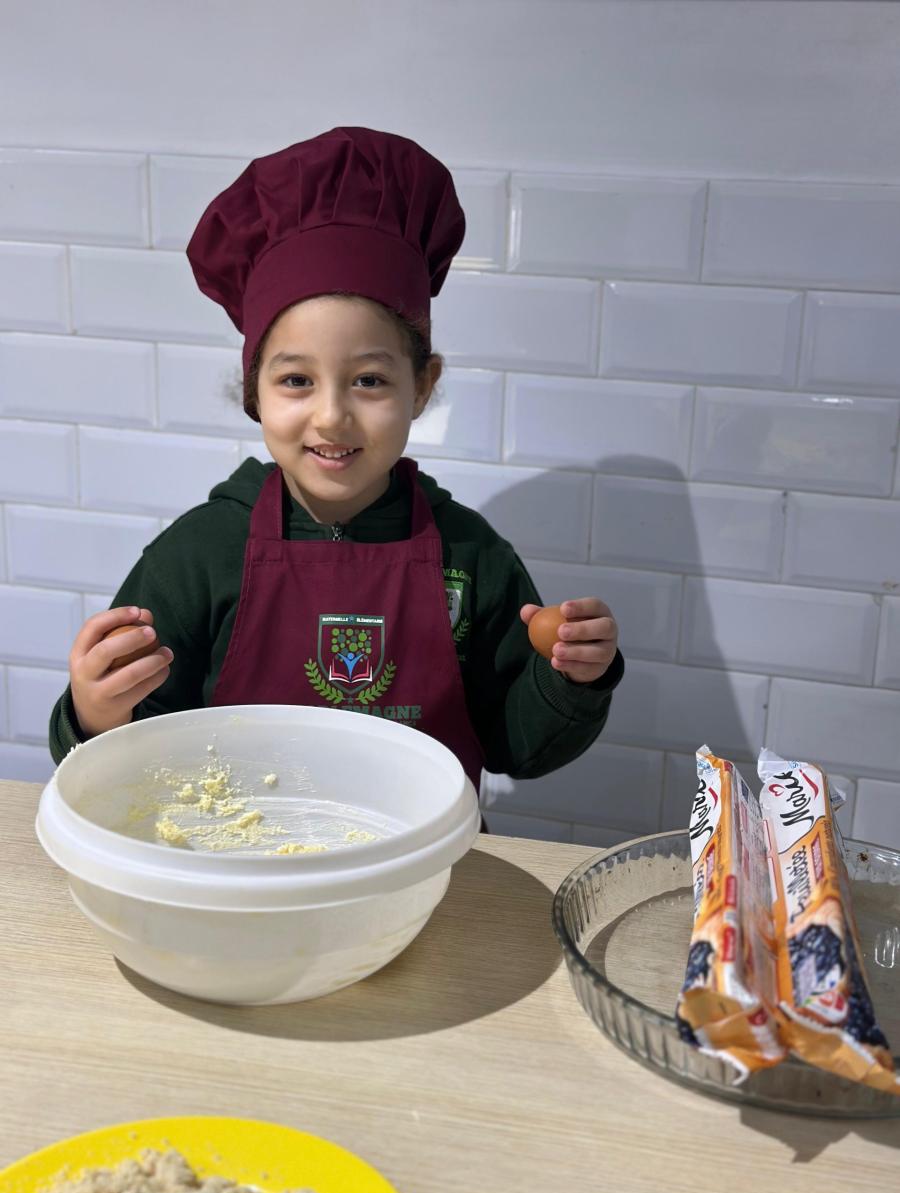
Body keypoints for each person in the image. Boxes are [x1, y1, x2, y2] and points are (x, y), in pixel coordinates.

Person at [49, 127, 624, 804]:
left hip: (424, 858)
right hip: (237, 853)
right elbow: (131, 760)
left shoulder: (471, 557)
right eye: (296, 380)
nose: (331, 417)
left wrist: (570, 678)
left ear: (423, 386)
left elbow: (515, 747)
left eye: (369, 381)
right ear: (254, 392)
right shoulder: (197, 557)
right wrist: (95, 714)